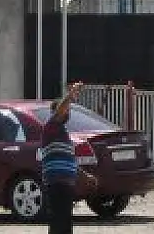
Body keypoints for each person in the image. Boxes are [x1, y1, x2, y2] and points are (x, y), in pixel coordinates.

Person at [40, 82, 96, 234]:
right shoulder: (50, 127)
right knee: (58, 223)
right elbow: (60, 111)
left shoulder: (64, 134)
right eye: (66, 110)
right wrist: (70, 95)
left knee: (65, 224)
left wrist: (86, 176)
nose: (67, 113)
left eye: (68, 110)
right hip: (56, 182)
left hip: (66, 183)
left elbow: (70, 162)